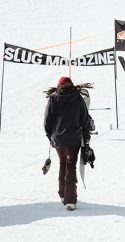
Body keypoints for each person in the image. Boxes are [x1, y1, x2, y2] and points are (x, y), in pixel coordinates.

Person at [44, 77, 91, 211]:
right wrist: (86, 137)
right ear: (71, 85)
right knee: (71, 165)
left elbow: (47, 121)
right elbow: (85, 119)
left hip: (58, 138)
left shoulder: (53, 98)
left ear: (59, 86)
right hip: (74, 138)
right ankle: (70, 200)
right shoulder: (78, 98)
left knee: (62, 162)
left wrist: (50, 137)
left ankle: (63, 195)